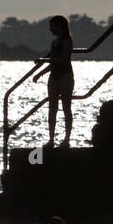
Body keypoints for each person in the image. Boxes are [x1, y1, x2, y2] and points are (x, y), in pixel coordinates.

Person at [44, 14, 74, 147]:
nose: (50, 30)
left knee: (66, 107)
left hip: (65, 75)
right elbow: (52, 63)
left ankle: (67, 139)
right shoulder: (53, 42)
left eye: (52, 27)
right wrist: (40, 73)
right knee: (52, 108)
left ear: (59, 26)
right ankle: (51, 139)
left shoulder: (67, 40)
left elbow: (64, 60)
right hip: (54, 76)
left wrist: (50, 60)